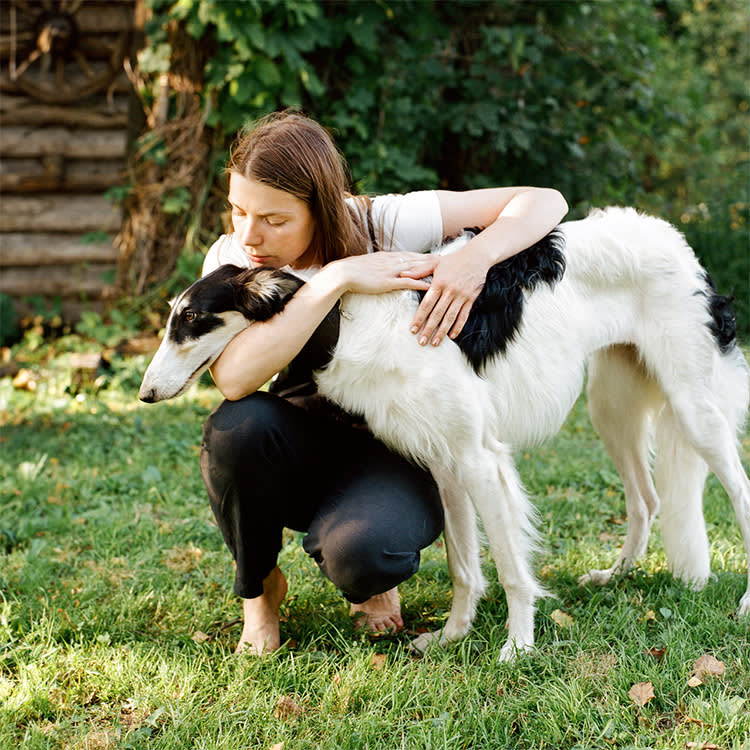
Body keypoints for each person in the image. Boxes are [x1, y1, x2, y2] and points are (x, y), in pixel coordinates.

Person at [199, 110, 568, 654]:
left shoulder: (379, 222)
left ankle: (370, 574)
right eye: (237, 210)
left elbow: (545, 201)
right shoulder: (233, 258)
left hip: (398, 447)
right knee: (236, 427)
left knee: (364, 554)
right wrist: (336, 279)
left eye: (275, 219)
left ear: (321, 209)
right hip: (300, 434)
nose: (250, 235)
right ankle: (259, 594)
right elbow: (232, 376)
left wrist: (475, 257)